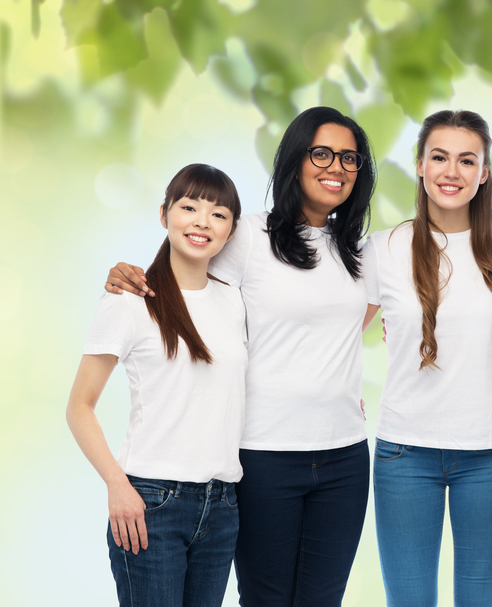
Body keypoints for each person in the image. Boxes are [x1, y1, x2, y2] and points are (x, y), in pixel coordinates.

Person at [104, 106, 377, 605]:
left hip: (345, 460)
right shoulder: (250, 235)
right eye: (321, 153)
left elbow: (352, 321)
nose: (335, 167)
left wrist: (329, 375)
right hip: (263, 455)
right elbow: (188, 273)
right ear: (295, 160)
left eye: (349, 158)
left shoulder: (360, 249)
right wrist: (128, 273)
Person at [361, 110, 492, 607]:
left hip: (490, 455)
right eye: (440, 157)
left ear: (484, 173)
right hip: (404, 454)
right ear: (420, 166)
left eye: (467, 160)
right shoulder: (382, 250)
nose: (452, 171)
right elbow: (334, 331)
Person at [67, 164, 246, 606]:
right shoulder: (129, 301)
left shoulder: (235, 299)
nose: (202, 221)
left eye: (218, 214)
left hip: (222, 506)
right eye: (189, 207)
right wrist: (117, 485)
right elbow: (79, 406)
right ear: (164, 214)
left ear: (232, 231)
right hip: (151, 504)